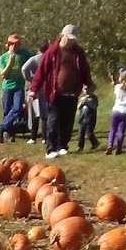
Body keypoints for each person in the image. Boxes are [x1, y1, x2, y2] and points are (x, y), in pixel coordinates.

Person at [31, 25, 94, 158]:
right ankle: (51, 149)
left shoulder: (78, 52)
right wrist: (33, 89)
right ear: (62, 36)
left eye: (74, 39)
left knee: (68, 121)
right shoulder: (52, 51)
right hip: (55, 93)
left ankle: (63, 146)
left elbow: (85, 70)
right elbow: (41, 72)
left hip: (72, 92)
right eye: (69, 38)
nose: (71, 42)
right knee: (53, 121)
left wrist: (89, 84)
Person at [0, 34, 29, 143]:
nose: (15, 46)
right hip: (7, 87)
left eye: (17, 43)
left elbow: (36, 58)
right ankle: (8, 133)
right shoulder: (3, 57)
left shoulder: (24, 54)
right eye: (13, 44)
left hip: (19, 87)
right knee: (7, 110)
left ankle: (1, 127)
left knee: (17, 108)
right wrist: (10, 60)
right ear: (8, 45)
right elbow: (3, 75)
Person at [21, 42, 47, 143]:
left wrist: (30, 78)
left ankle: (33, 137)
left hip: (35, 87)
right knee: (45, 113)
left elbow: (24, 69)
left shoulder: (35, 59)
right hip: (46, 87)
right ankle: (45, 138)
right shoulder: (49, 57)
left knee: (34, 113)